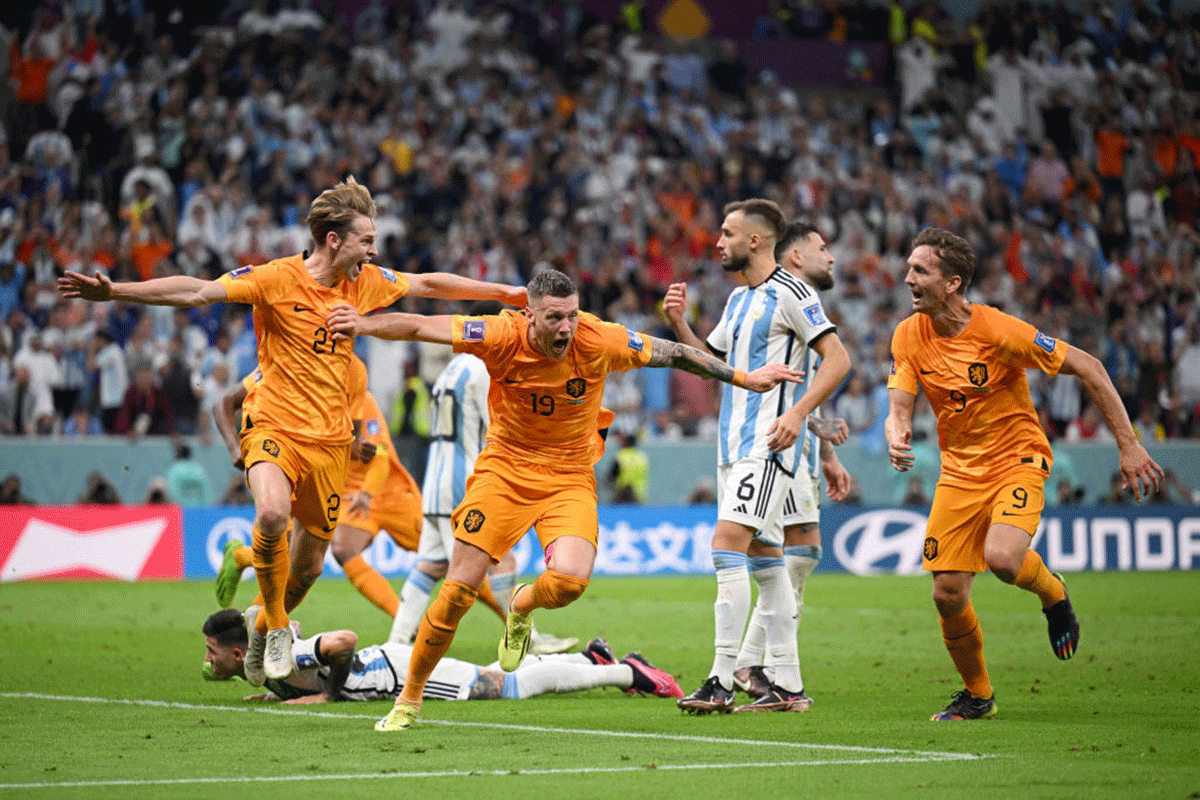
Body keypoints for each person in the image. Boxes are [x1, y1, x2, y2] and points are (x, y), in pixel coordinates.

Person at [60, 176, 524, 687]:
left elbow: (428, 284)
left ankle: (261, 629)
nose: (373, 250)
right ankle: (278, 626)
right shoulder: (275, 278)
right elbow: (196, 291)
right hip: (274, 426)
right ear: (334, 240)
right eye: (366, 240)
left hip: (330, 448)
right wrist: (116, 291)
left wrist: (502, 291)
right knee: (272, 512)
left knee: (306, 570)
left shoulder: (363, 282)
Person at [323, 266, 801, 731]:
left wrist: (745, 378)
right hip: (504, 472)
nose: (566, 327)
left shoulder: (600, 338)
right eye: (554, 317)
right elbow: (419, 325)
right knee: (457, 592)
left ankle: (522, 607)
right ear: (528, 315)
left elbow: (674, 352)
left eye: (571, 315)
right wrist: (360, 323)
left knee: (571, 581)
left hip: (569, 476)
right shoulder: (499, 335)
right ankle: (408, 700)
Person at [885, 227, 1164, 722]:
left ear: (952, 283)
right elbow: (900, 404)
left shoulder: (998, 331)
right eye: (909, 267)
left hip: (1018, 458)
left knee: (1003, 558)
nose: (907, 277)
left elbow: (1091, 367)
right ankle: (978, 695)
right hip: (959, 472)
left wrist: (1128, 444)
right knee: (947, 593)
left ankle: (1053, 592)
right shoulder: (908, 334)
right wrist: (897, 430)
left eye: (919, 270)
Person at [662, 208, 851, 714]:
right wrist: (679, 323)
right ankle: (787, 686)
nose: (717, 242)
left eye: (726, 234)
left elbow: (838, 359)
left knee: (726, 546)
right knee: (767, 563)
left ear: (754, 239)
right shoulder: (737, 297)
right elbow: (713, 368)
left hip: (766, 446)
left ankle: (720, 679)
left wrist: (800, 415)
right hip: (731, 445)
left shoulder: (793, 293)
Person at [388, 302, 578, 656]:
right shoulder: (484, 369)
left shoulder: (451, 368)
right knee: (494, 563)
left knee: (430, 565)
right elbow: (500, 427)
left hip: (436, 481)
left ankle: (396, 642)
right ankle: (529, 641)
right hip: (466, 481)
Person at [210, 355, 420, 625]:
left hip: (344, 487)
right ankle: (250, 635)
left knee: (302, 565)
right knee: (288, 554)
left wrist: (358, 452)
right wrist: (235, 447)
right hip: (284, 466)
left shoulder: (358, 387)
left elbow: (377, 454)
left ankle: (242, 567)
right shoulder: (286, 361)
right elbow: (225, 402)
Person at [201, 608, 683, 704]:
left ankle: (629, 674)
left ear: (238, 652)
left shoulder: (283, 655)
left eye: (210, 651)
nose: (207, 660)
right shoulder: (262, 668)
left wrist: (328, 696)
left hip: (396, 675)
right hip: (391, 666)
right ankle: (590, 659)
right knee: (490, 674)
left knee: (507, 688)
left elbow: (341, 640)